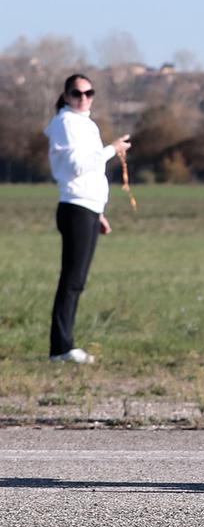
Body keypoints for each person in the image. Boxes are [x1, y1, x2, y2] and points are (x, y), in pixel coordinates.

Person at [43, 74, 131, 364]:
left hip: (88, 208)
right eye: (77, 93)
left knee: (77, 279)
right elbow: (78, 166)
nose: (83, 98)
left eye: (88, 93)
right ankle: (61, 347)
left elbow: (91, 173)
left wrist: (99, 212)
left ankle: (64, 345)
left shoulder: (84, 123)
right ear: (66, 95)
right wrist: (112, 150)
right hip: (75, 207)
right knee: (72, 279)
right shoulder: (67, 123)